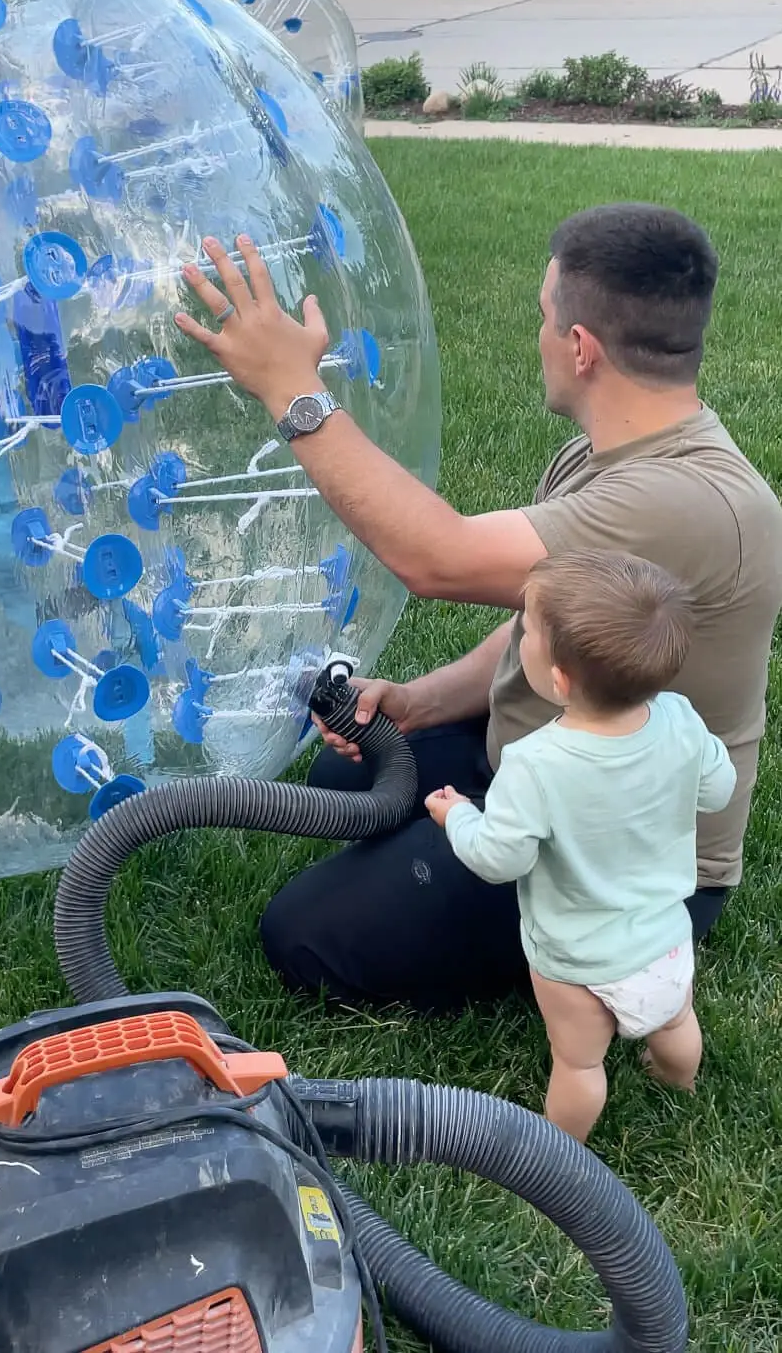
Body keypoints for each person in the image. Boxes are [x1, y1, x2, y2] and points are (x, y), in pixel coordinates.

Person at [174, 203, 782, 1012]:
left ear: (580, 347)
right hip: (551, 768)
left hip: (622, 869)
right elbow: (548, 625)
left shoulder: (683, 502)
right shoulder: (611, 459)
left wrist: (291, 387)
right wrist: (420, 703)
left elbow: (437, 556)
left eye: (542, 315)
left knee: (301, 937)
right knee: (347, 769)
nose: (538, 336)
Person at [423, 549, 735, 1143]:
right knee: (675, 1021)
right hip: (667, 938)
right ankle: (679, 1086)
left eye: (530, 632)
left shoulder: (534, 763)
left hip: (578, 963)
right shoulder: (681, 719)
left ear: (559, 678)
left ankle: (560, 1155)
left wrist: (458, 815)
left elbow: (498, 858)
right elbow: (718, 789)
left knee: (580, 1064)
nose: (522, 636)